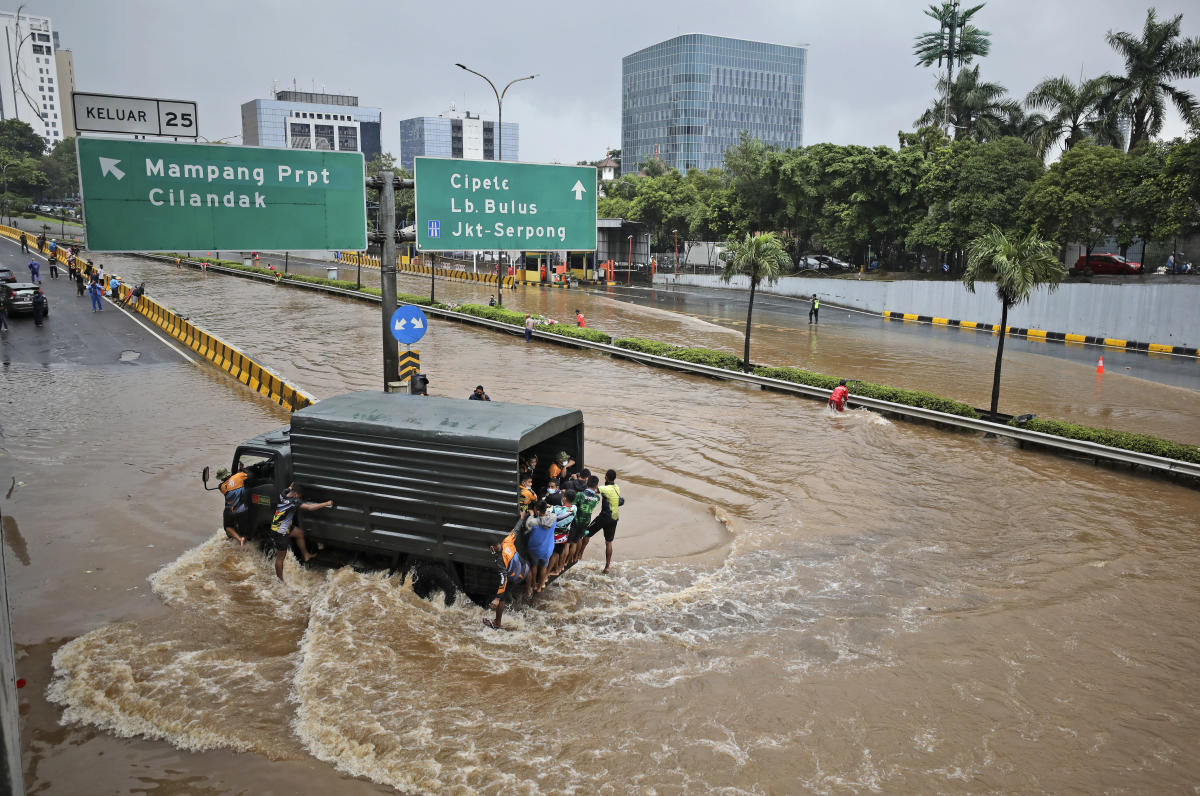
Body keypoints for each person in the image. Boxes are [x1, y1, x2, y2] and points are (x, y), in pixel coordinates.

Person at [268, 483, 333, 582]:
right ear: (296, 495)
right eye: (299, 496)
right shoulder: (294, 501)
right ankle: (280, 580)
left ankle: (306, 555)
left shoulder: (283, 494)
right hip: (280, 532)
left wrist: (293, 484)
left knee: (300, 533)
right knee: (280, 558)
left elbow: (289, 487)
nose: (299, 498)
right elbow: (310, 508)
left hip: (282, 526)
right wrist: (326, 503)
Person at [485, 529, 530, 628]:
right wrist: (522, 518)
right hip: (525, 570)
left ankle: (497, 623)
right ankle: (528, 591)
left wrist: (497, 598)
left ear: (492, 547)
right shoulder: (507, 541)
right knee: (527, 565)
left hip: (515, 578)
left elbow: (503, 579)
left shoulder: (500, 560)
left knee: (502, 597)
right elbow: (516, 530)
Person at [591, 469, 622, 574]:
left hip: (604, 517)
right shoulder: (617, 487)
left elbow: (592, 490)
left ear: (606, 477)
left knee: (586, 533)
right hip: (614, 517)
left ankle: (579, 554)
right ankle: (607, 566)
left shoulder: (604, 488)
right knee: (608, 542)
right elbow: (619, 500)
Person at [568, 476, 602, 566]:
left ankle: (568, 559)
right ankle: (575, 558)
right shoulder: (597, 498)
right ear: (596, 485)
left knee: (570, 542)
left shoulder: (580, 494)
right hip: (586, 521)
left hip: (576, 520)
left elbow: (572, 505)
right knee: (579, 539)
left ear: (587, 483)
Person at [525, 500, 555, 593]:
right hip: (547, 549)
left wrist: (530, 514)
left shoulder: (532, 521)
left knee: (534, 566)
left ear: (537, 510)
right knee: (544, 567)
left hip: (535, 549)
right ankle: (540, 586)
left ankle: (533, 584)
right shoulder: (553, 518)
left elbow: (527, 526)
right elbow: (551, 513)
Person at [217, 466, 250, 547]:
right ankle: (243, 540)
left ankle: (238, 539)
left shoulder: (221, 487)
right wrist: (242, 470)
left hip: (229, 511)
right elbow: (249, 474)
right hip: (242, 510)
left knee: (228, 526)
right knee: (244, 531)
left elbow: (229, 484)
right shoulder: (239, 476)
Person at [547, 490, 577, 576]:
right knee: (557, 553)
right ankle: (555, 570)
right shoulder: (574, 508)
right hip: (564, 536)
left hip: (553, 537)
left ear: (564, 498)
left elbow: (548, 510)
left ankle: (547, 573)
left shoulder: (556, 509)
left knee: (552, 555)